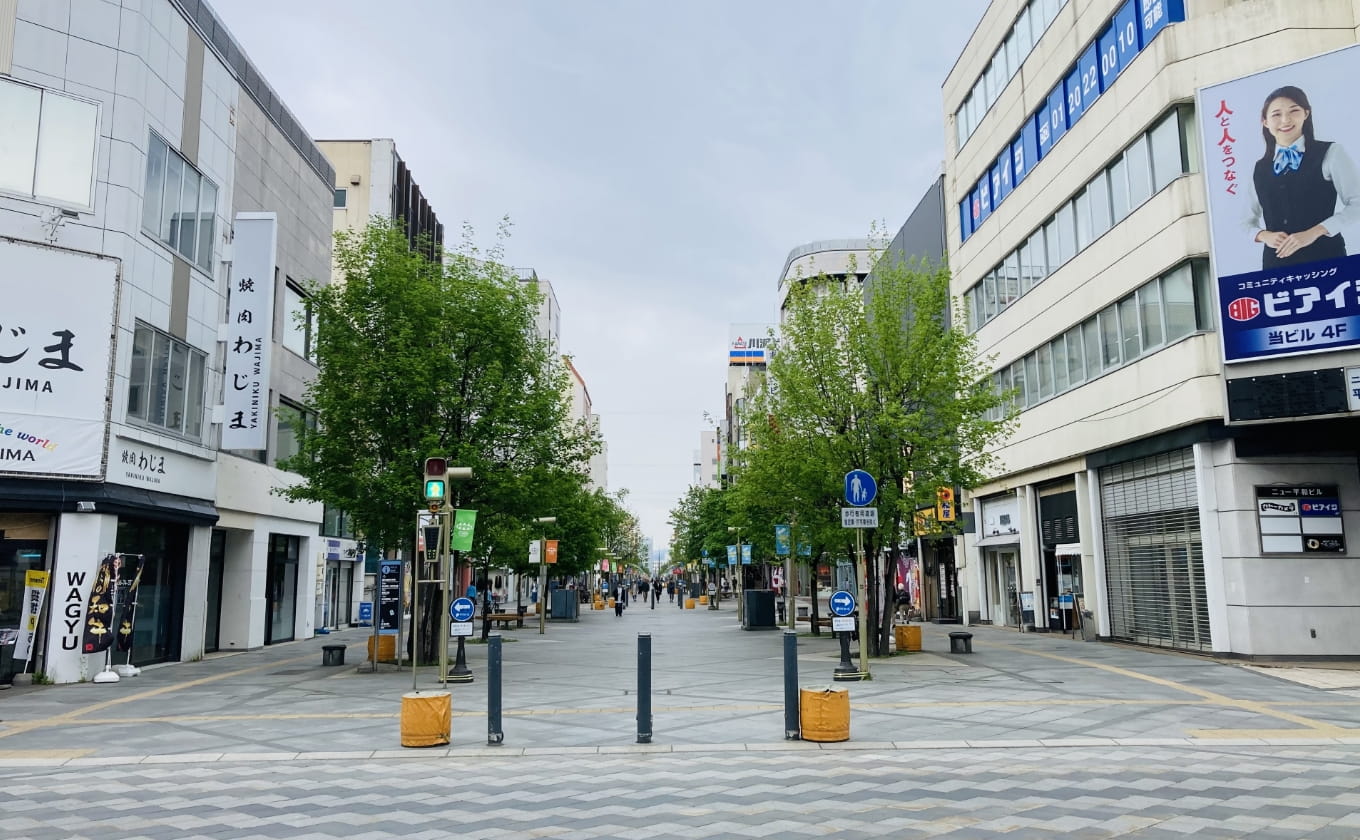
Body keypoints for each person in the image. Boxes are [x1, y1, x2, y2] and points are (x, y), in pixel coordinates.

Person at [1244, 85, 1360, 268]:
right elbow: (1244, 221)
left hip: (1328, 260)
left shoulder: (1331, 152)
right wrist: (1265, 236)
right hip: (1277, 266)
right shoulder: (1259, 168)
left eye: (1294, 111)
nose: (1285, 120)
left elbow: (1357, 204)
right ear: (1265, 122)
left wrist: (1315, 232)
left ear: (1306, 113)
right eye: (1276, 114)